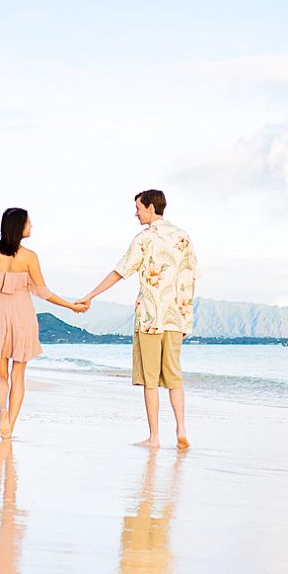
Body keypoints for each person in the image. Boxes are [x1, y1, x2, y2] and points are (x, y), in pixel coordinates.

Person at [78, 189, 200, 449]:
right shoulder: (183, 237)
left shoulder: (145, 239)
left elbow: (119, 271)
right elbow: (189, 278)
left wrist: (90, 295)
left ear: (151, 208)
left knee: (150, 381)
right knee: (174, 377)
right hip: (176, 317)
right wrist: (186, 317)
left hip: (150, 318)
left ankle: (154, 437)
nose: (136, 213)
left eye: (138, 208)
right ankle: (181, 428)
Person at [0, 207, 87, 439]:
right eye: (29, 223)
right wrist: (71, 306)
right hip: (23, 315)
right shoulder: (29, 257)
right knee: (18, 374)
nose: (31, 226)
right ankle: (10, 429)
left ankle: (3, 413)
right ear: (19, 226)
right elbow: (44, 292)